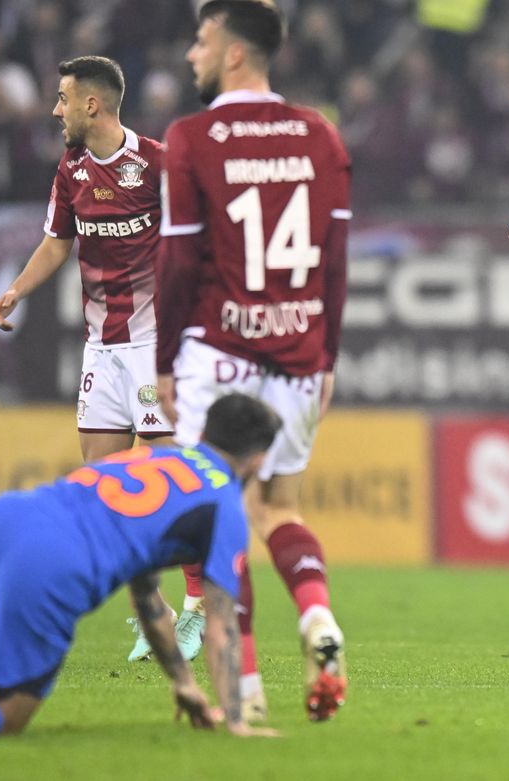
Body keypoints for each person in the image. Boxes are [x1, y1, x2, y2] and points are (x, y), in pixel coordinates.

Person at [156, 0, 350, 722]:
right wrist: (326, 357)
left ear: (234, 52)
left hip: (219, 354)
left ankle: (247, 692)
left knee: (218, 520)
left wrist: (165, 359)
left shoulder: (191, 137)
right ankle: (317, 613)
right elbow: (334, 261)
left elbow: (179, 263)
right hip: (299, 353)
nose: (192, 54)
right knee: (281, 508)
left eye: (202, 40)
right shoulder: (320, 135)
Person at [0, 55, 207, 665]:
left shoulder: (158, 164)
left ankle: (198, 606)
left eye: (62, 99)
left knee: (167, 483)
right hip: (102, 350)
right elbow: (57, 242)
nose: (54, 110)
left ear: (92, 104)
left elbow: (199, 240)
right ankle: (155, 613)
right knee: (104, 492)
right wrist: (17, 289)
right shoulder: (72, 168)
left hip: (153, 346)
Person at [0, 394, 281, 738]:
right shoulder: (224, 503)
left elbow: (146, 594)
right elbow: (221, 626)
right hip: (51, 559)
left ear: (204, 434)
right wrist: (236, 720)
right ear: (258, 460)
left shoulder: (158, 456)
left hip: (7, 514)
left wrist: (183, 682)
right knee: (3, 716)